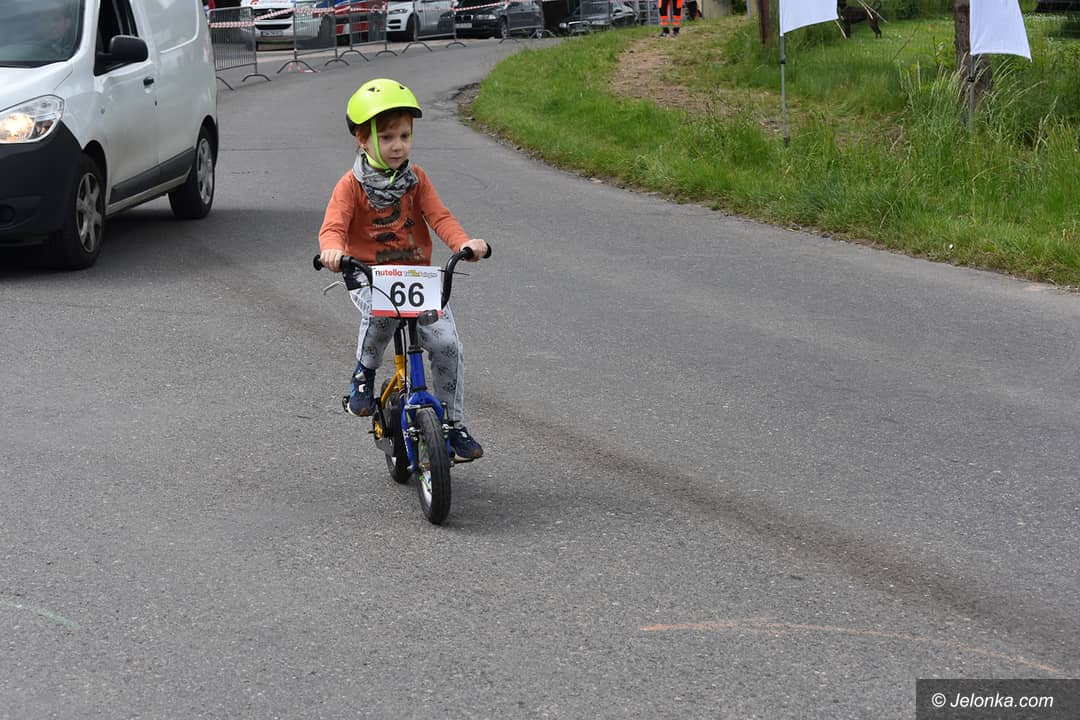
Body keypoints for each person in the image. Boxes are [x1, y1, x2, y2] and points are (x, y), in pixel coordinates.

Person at [318, 78, 489, 461]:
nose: (398, 146)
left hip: (415, 278)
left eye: (405, 136)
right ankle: (364, 373)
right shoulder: (350, 186)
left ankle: (452, 424)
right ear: (363, 139)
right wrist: (332, 250)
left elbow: (440, 217)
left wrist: (463, 243)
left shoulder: (417, 180)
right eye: (388, 137)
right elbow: (334, 226)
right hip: (368, 275)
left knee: (447, 345)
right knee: (384, 313)